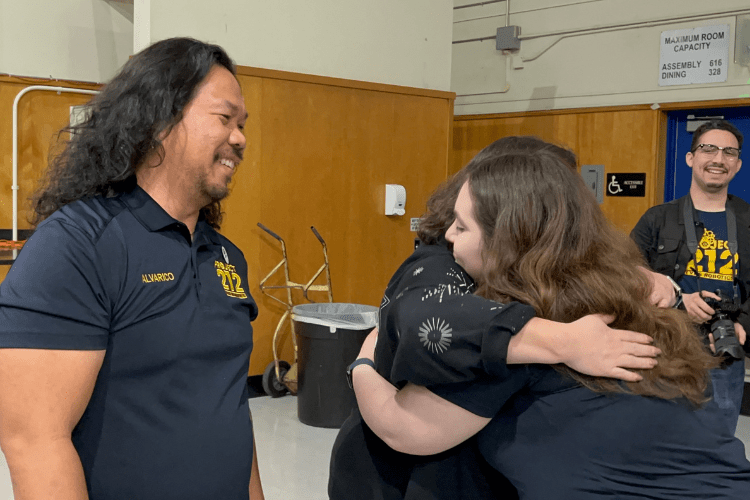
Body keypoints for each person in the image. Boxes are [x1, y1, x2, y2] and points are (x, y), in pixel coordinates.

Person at [351, 138, 750, 498]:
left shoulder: (515, 328)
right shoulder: (619, 299)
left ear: (506, 239)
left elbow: (402, 427)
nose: (450, 236)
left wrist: (363, 360)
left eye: (462, 226)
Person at [0, 38, 264, 500]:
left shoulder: (227, 257)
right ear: (160, 118)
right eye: (225, 119)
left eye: (242, 125)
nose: (240, 138)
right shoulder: (77, 245)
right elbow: (35, 442)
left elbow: (231, 409)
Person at [631, 119, 749, 434]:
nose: (718, 159)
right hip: (664, 349)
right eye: (708, 148)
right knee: (655, 435)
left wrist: (742, 324)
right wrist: (681, 300)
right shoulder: (657, 219)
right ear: (690, 158)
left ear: (737, 164)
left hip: (723, 352)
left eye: (729, 152)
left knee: (717, 439)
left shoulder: (748, 221)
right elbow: (625, 275)